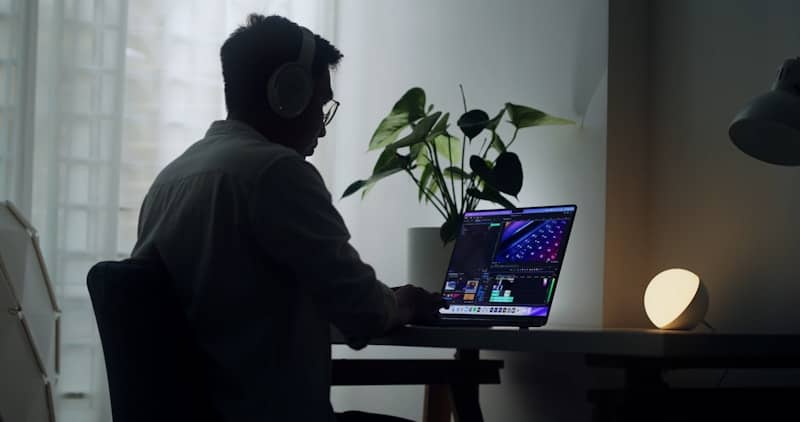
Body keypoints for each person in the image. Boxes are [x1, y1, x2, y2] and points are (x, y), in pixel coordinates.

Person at [131, 13, 443, 422]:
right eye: (321, 103)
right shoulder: (276, 172)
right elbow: (364, 312)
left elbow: (234, 314)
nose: (323, 128)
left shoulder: (169, 181)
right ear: (289, 94)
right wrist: (407, 302)